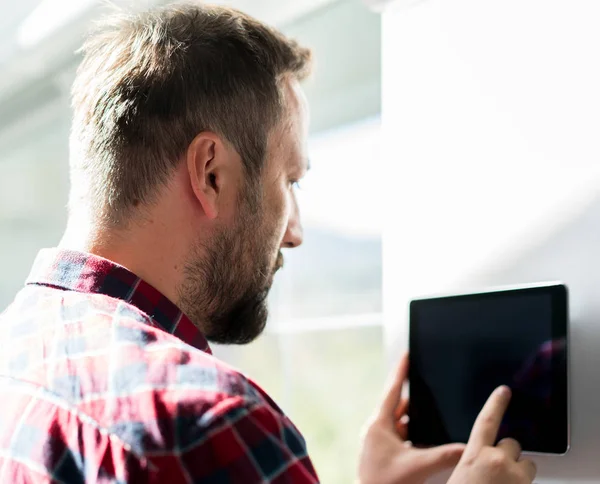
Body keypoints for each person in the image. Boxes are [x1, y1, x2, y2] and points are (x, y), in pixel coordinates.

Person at [0, 3, 537, 483]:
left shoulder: (16, 347)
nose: (296, 231)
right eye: (290, 181)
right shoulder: (207, 422)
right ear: (211, 173)